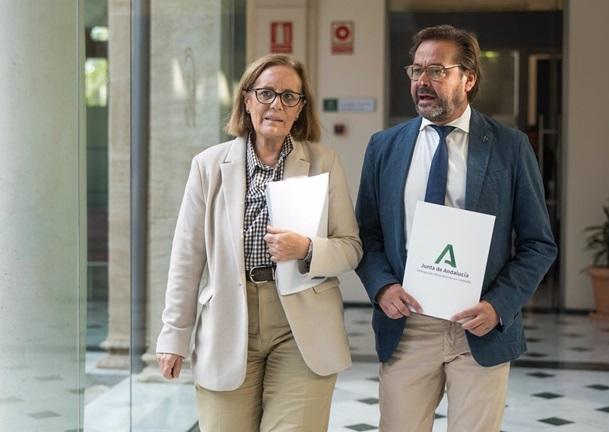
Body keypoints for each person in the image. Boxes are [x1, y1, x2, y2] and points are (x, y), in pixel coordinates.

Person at [355, 25, 557, 432]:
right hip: (408, 325)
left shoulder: (509, 146)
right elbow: (367, 235)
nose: (422, 82)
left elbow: (539, 244)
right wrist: (382, 287)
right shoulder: (384, 146)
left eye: (435, 71)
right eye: (415, 71)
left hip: (479, 326)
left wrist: (498, 306)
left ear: (468, 78)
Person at [156, 53, 362, 432]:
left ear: (300, 109)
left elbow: (351, 246)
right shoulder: (208, 165)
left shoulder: (324, 162)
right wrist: (174, 336)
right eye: (266, 93)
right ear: (246, 99)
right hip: (229, 320)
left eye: (289, 97)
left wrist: (308, 249)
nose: (276, 105)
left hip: (302, 325)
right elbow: (187, 257)